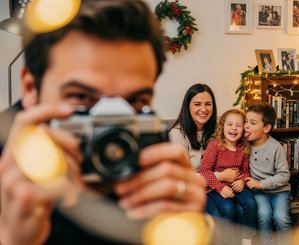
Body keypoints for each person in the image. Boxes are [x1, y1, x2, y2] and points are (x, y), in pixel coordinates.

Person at [0, 0, 205, 244]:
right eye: (81, 97)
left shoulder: (149, 158)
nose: (110, 122)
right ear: (31, 88)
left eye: (134, 101)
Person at [169, 83, 240, 215]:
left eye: (208, 104)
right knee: (216, 213)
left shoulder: (218, 129)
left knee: (232, 208)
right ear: (188, 106)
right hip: (191, 189)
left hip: (214, 188)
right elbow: (182, 176)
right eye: (197, 104)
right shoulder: (177, 134)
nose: (203, 109)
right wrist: (220, 176)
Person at [200, 109, 257, 245]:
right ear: (222, 127)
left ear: (243, 129)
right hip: (215, 187)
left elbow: (245, 171)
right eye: (229, 124)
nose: (233, 128)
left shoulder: (243, 147)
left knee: (250, 203)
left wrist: (242, 181)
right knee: (228, 209)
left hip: (236, 184)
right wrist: (220, 188)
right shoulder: (215, 146)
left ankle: (247, 239)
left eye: (238, 125)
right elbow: (205, 172)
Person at [244, 103, 291, 245]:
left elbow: (284, 175)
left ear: (266, 128)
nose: (246, 126)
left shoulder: (276, 147)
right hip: (259, 193)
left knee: (281, 217)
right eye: (246, 121)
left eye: (252, 123)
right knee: (263, 215)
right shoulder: (245, 145)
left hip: (279, 191)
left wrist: (261, 183)